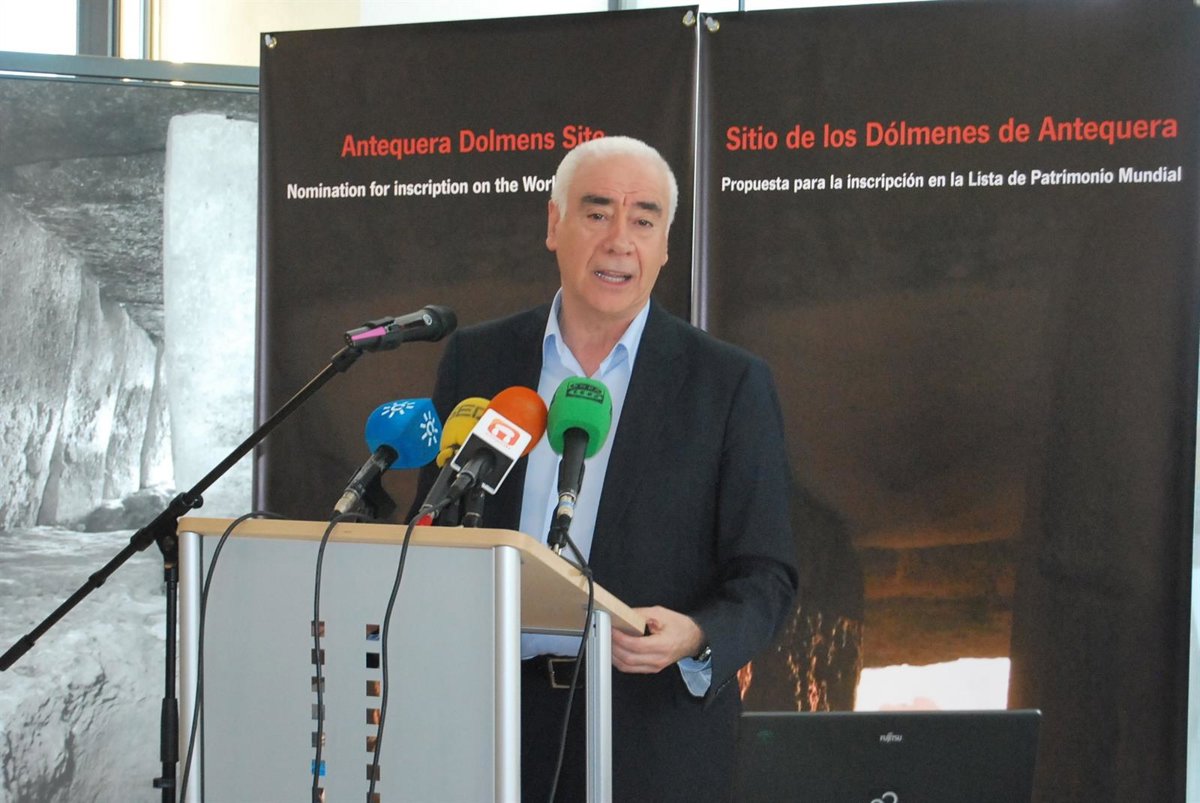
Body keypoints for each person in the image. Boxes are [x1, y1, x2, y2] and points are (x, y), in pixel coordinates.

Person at [411, 135, 797, 802]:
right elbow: (435, 528)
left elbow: (767, 573)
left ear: (665, 244)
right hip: (487, 721)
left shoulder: (727, 384)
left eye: (644, 220)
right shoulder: (480, 360)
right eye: (597, 213)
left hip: (648, 735)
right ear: (554, 224)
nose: (620, 241)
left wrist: (697, 634)